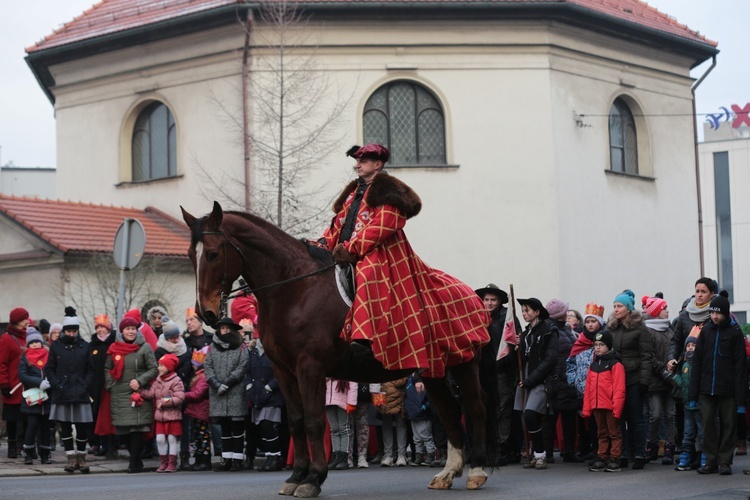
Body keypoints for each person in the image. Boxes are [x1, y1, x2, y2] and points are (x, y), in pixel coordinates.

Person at [320, 143, 489, 379]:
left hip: (381, 254)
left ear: (377, 165)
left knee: (368, 275)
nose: (358, 165)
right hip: (346, 253)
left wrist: (352, 248)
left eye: (363, 161)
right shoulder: (353, 193)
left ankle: (365, 339)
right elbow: (338, 225)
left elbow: (382, 227)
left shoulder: (388, 193)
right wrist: (323, 243)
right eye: (357, 160)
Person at [689, 294, 747, 476]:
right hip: (706, 388)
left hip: (728, 389)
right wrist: (692, 394)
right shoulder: (706, 331)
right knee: (707, 425)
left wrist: (741, 399)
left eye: (718, 313)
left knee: (729, 425)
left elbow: (740, 366)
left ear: (726, 313)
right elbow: (696, 363)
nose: (714, 317)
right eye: (712, 313)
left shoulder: (735, 332)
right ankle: (711, 460)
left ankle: (725, 461)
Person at [104, 315, 158, 473]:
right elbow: (107, 368)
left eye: (133, 329)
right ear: (122, 331)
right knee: (124, 430)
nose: (131, 332)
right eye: (127, 329)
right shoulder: (114, 348)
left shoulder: (145, 347)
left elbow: (153, 369)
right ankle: (136, 458)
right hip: (119, 392)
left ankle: (134, 461)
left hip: (137, 393)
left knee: (137, 429)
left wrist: (140, 381)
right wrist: (110, 384)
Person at [607, 290, 654, 470]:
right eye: (615, 306)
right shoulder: (611, 327)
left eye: (619, 306)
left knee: (636, 418)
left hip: (634, 379)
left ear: (628, 308)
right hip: (616, 380)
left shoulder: (639, 328)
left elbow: (646, 356)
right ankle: (624, 453)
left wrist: (644, 381)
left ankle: (640, 453)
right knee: (620, 418)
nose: (616, 310)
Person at [45, 307, 95, 474]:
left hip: (80, 391)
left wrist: (85, 385)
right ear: (64, 331)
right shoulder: (56, 347)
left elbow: (91, 369)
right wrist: (57, 384)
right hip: (62, 391)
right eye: (69, 331)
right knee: (65, 426)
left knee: (82, 427)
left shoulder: (85, 346)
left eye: (74, 331)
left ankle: (81, 458)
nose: (72, 334)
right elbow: (49, 369)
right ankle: (70, 458)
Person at [513, 297, 558, 470]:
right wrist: (518, 348)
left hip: (541, 380)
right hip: (526, 378)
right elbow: (523, 359)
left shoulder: (549, 330)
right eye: (523, 311)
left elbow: (550, 359)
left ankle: (541, 455)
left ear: (537, 312)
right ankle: (534, 453)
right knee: (525, 416)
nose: (524, 314)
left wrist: (531, 379)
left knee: (531, 414)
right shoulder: (525, 334)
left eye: (527, 310)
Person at [205, 317, 249, 472]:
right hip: (218, 392)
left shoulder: (241, 346)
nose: (224, 330)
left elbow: (243, 366)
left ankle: (238, 459)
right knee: (224, 427)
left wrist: (228, 382)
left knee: (237, 427)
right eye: (222, 328)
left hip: (235, 390)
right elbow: (208, 367)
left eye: (227, 328)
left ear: (232, 329)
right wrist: (217, 384)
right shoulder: (212, 347)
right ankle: (226, 459)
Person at [566, 303, 606, 463]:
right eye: (588, 321)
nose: (590, 324)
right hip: (581, 389)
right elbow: (570, 363)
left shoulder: (605, 341)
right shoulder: (580, 342)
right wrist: (574, 381)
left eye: (593, 321)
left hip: (599, 389)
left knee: (597, 423)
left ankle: (598, 451)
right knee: (583, 421)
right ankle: (585, 448)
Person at [474, 283, 508, 465]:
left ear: (499, 300)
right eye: (486, 299)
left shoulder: (506, 317)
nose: (489, 303)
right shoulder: (477, 316)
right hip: (482, 369)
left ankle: (503, 448)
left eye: (493, 299)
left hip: (502, 370)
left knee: (502, 410)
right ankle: (484, 448)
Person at [584, 331, 626, 473]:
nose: (597, 347)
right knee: (601, 432)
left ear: (608, 346)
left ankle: (615, 458)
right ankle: (602, 457)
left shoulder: (615, 364)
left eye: (601, 345)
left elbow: (619, 388)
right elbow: (588, 389)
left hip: (610, 405)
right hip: (597, 405)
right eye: (595, 345)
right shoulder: (593, 366)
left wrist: (617, 407)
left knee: (614, 432)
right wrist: (587, 408)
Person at [642, 295, 676, 465]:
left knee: (670, 414)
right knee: (654, 415)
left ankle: (670, 446)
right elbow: (649, 356)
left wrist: (673, 364)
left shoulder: (669, 329)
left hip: (669, 380)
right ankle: (652, 444)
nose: (667, 311)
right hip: (655, 380)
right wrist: (664, 370)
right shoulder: (647, 331)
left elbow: (675, 349)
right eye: (663, 308)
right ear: (656, 312)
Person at [244, 334, 285, 472]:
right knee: (262, 427)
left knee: (268, 425)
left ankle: (276, 457)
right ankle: (270, 458)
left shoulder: (275, 353)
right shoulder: (253, 353)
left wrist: (270, 387)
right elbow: (248, 372)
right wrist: (248, 385)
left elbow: (281, 373)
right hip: (256, 395)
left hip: (272, 395)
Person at [545, 299, 578, 463]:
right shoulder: (551, 330)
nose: (567, 314)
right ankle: (548, 452)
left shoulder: (565, 329)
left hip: (568, 378)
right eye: (565, 312)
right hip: (558, 378)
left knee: (569, 416)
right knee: (551, 416)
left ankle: (569, 450)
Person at [140, 353, 185, 473]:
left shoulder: (176, 380)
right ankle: (163, 462)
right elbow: (151, 394)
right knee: (160, 439)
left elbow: (179, 397)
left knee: (172, 439)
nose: (159, 368)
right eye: (159, 365)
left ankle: (172, 462)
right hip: (160, 417)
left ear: (169, 367)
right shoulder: (158, 380)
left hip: (172, 416)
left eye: (162, 366)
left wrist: (164, 401)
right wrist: (140, 391)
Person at [667, 278, 717, 372]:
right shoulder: (684, 315)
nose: (699, 295)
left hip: (709, 367)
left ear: (712, 294)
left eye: (703, 292)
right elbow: (676, 341)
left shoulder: (715, 315)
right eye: (697, 291)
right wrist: (672, 358)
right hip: (687, 366)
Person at [18, 329, 52, 465]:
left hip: (47, 399)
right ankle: (28, 452)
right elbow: (22, 375)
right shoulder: (25, 358)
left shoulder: (48, 356)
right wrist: (38, 382)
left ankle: (45, 453)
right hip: (32, 399)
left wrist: (50, 380)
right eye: (32, 343)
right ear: (28, 345)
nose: (35, 344)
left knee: (46, 428)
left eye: (37, 342)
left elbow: (52, 370)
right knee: (31, 426)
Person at [1, 307, 29, 459]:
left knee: (26, 418)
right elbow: (2, 363)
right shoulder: (6, 339)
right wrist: (4, 383)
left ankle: (22, 445)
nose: (27, 322)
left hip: (26, 386)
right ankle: (12, 446)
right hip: (12, 386)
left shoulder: (27, 338)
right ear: (18, 321)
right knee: (12, 419)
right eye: (25, 319)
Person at [673, 335, 704, 471]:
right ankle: (685, 456)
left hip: (699, 405)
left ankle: (704, 456)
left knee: (702, 433)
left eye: (694, 346)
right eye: (688, 346)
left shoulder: (701, 363)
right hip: (687, 405)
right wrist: (674, 377)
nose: (690, 348)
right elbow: (684, 384)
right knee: (688, 433)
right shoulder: (684, 364)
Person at [88, 314, 116, 457]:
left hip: (111, 384)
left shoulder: (114, 342)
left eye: (102, 327)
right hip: (95, 386)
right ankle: (98, 443)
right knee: (96, 414)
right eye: (97, 327)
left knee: (110, 415)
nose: (100, 330)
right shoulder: (92, 345)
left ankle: (112, 445)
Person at [184, 346, 211, 471]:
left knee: (203, 437)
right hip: (197, 411)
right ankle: (199, 459)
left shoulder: (203, 377)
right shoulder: (199, 376)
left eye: (195, 364)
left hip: (201, 411)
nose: (193, 367)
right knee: (198, 437)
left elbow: (197, 394)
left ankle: (204, 460)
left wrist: (183, 395)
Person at [375, 376, 409, 467]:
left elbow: (402, 380)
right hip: (382, 394)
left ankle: (401, 455)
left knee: (400, 425)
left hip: (398, 394)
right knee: (386, 425)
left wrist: (388, 382)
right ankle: (388, 455)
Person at [325, 377, 357, 470]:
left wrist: (351, 402)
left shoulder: (344, 367)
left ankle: (343, 458)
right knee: (334, 429)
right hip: (328, 401)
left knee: (343, 429)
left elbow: (353, 383)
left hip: (342, 401)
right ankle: (336, 456)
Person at [405, 373, 435, 467]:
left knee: (426, 436)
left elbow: (430, 399)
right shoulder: (409, 381)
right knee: (416, 437)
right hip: (413, 414)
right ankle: (419, 454)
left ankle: (430, 454)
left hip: (423, 414)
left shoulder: (424, 380)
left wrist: (424, 407)